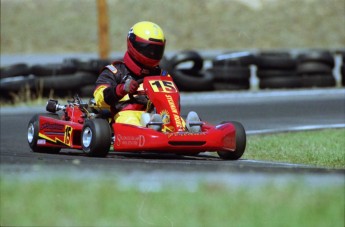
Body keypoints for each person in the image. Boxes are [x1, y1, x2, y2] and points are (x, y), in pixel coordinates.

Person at [93, 21, 200, 132]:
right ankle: (149, 130)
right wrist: (122, 89)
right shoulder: (114, 71)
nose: (152, 54)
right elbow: (100, 99)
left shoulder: (161, 75)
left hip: (157, 115)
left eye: (156, 50)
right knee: (130, 119)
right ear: (134, 44)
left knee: (175, 121)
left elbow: (172, 101)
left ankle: (188, 129)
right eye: (148, 49)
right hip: (124, 115)